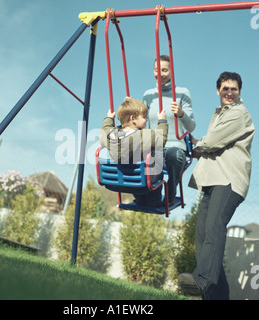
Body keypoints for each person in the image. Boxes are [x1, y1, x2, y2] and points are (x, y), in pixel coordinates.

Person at [178, 72, 255, 300]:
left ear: (239, 92)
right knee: (202, 237)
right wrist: (194, 143)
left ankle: (202, 280)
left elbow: (212, 142)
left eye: (234, 89)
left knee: (214, 227)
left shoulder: (239, 113)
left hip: (229, 180)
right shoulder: (220, 115)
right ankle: (218, 296)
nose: (229, 93)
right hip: (213, 180)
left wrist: (200, 144)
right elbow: (209, 142)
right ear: (218, 91)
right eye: (225, 89)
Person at [143, 55, 196, 205]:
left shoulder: (181, 93)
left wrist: (180, 113)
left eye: (165, 70)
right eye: (156, 70)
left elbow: (191, 126)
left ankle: (170, 194)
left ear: (172, 71)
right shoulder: (148, 96)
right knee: (140, 154)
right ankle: (147, 194)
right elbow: (140, 122)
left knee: (175, 155)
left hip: (174, 147)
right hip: (155, 146)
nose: (160, 74)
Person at [99, 97, 168, 207]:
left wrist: (108, 118)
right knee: (157, 170)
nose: (147, 120)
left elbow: (104, 130)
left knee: (133, 168)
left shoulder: (110, 135)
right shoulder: (143, 136)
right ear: (133, 119)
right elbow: (161, 139)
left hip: (117, 184)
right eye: (144, 117)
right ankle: (154, 202)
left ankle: (139, 200)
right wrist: (162, 121)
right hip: (142, 185)